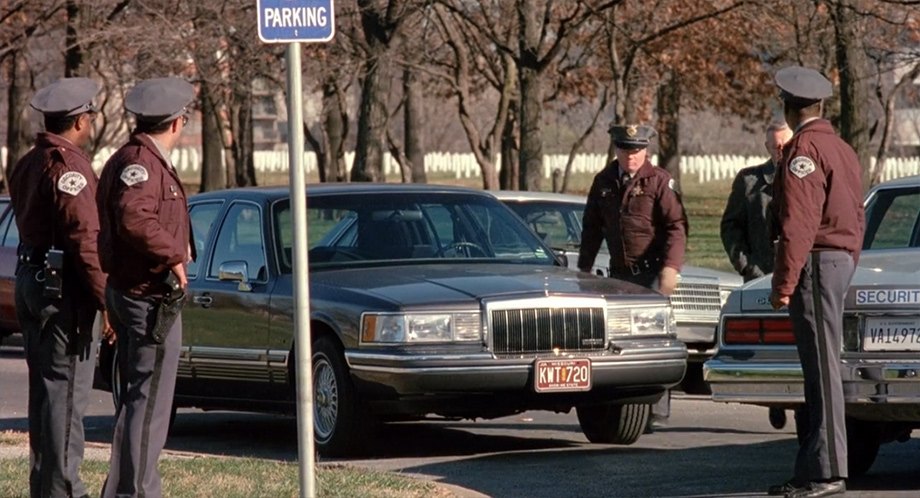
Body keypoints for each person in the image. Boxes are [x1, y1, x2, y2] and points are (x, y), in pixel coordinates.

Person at [9, 77, 114, 498]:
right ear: (80, 121)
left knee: (46, 396)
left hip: (32, 283)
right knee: (66, 400)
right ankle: (65, 490)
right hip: (62, 294)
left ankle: (45, 487)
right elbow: (85, 241)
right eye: (89, 115)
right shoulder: (69, 168)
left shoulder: (28, 161)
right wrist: (109, 302)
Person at [767, 66, 864, 498]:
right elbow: (857, 216)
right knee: (820, 372)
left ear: (788, 106)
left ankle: (826, 473)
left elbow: (799, 226)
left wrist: (784, 283)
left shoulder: (803, 149)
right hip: (837, 261)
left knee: (822, 374)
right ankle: (814, 468)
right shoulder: (842, 148)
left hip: (818, 264)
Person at [98, 77, 195, 498]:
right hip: (147, 298)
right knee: (149, 404)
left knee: (140, 402)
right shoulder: (141, 165)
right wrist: (174, 254)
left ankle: (122, 488)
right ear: (177, 123)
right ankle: (135, 492)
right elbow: (134, 218)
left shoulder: (132, 159)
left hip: (135, 294)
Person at [578, 123, 688, 432]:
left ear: (646, 151)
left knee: (654, 340)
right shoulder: (604, 182)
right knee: (621, 343)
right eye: (626, 150)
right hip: (619, 276)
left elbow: (676, 226)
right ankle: (626, 409)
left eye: (637, 150)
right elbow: (591, 229)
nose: (631, 156)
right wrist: (583, 271)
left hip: (652, 274)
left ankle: (658, 410)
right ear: (616, 149)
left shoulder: (660, 182)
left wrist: (672, 268)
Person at [720, 121, 794, 430]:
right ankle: (777, 399)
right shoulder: (750, 181)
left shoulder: (806, 177)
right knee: (772, 346)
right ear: (766, 147)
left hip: (799, 277)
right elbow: (730, 227)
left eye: (784, 146)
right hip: (760, 275)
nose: (779, 151)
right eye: (774, 146)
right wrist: (747, 268)